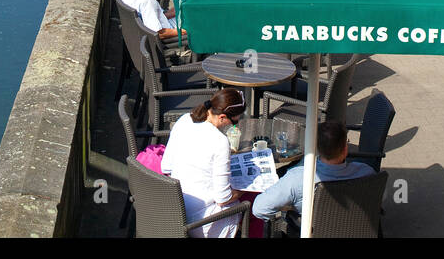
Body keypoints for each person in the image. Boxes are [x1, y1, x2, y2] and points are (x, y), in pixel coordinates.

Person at [160, 88, 247, 238]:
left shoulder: (184, 119)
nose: (234, 125)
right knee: (247, 203)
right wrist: (245, 188)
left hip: (173, 210)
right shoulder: (220, 142)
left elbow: (165, 167)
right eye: (234, 122)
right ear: (222, 117)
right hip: (199, 221)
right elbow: (222, 199)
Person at [252, 120, 374, 225]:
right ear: (345, 149)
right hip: (354, 228)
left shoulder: (298, 179)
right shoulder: (367, 174)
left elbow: (259, 208)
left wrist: (287, 207)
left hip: (313, 230)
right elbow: (377, 200)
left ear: (317, 148)